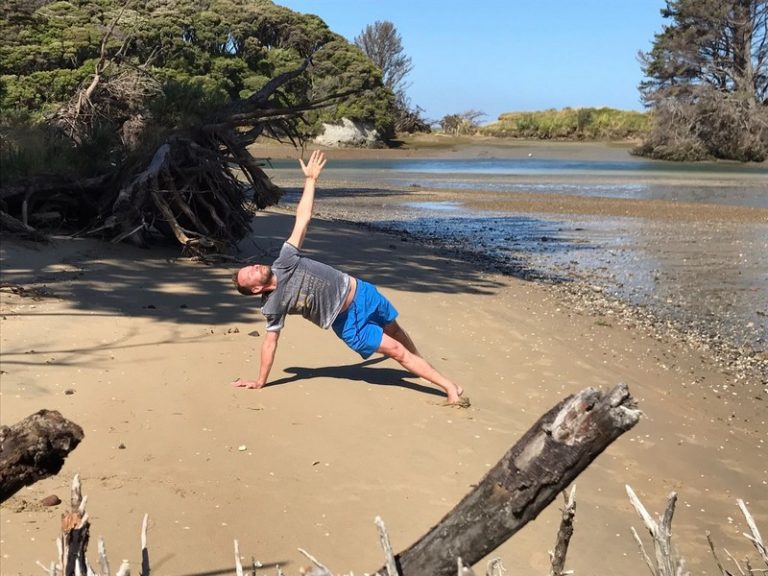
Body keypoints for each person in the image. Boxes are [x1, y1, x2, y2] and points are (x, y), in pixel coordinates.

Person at [231, 150, 468, 406]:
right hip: (347, 324)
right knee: (397, 351)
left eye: (252, 265)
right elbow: (270, 343)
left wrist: (310, 180)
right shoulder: (272, 306)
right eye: (251, 273)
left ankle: (421, 367)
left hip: (362, 293)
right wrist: (260, 380)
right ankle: (449, 388)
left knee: (397, 331)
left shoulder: (285, 260)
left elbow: (303, 220)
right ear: (256, 289)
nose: (255, 266)